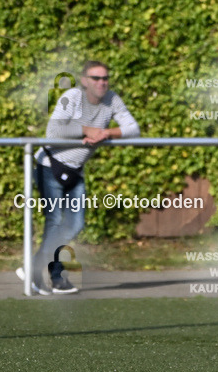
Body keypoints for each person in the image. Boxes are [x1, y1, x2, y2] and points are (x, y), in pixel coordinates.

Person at [21, 61, 139, 295]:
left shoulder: (112, 99)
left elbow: (133, 129)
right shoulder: (73, 97)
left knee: (75, 224)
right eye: (96, 78)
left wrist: (107, 132)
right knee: (55, 222)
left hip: (75, 170)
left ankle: (36, 268)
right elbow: (53, 132)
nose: (102, 82)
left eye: (105, 78)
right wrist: (86, 130)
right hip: (50, 165)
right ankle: (54, 277)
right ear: (85, 81)